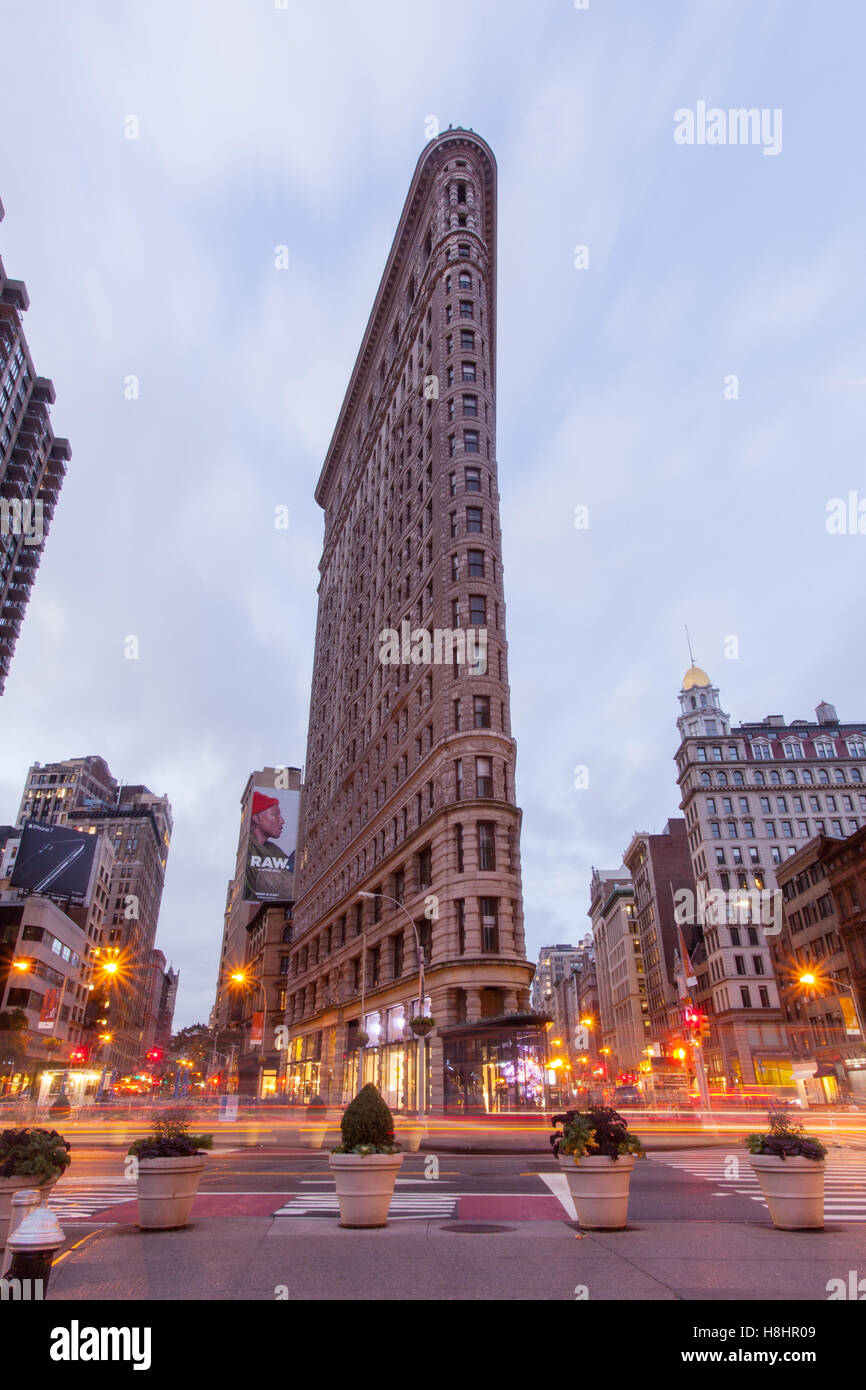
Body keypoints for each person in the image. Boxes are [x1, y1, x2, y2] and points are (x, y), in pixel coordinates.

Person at [244, 792, 294, 900]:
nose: (282, 821)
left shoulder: (274, 850)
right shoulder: (248, 851)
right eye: (275, 814)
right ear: (256, 818)